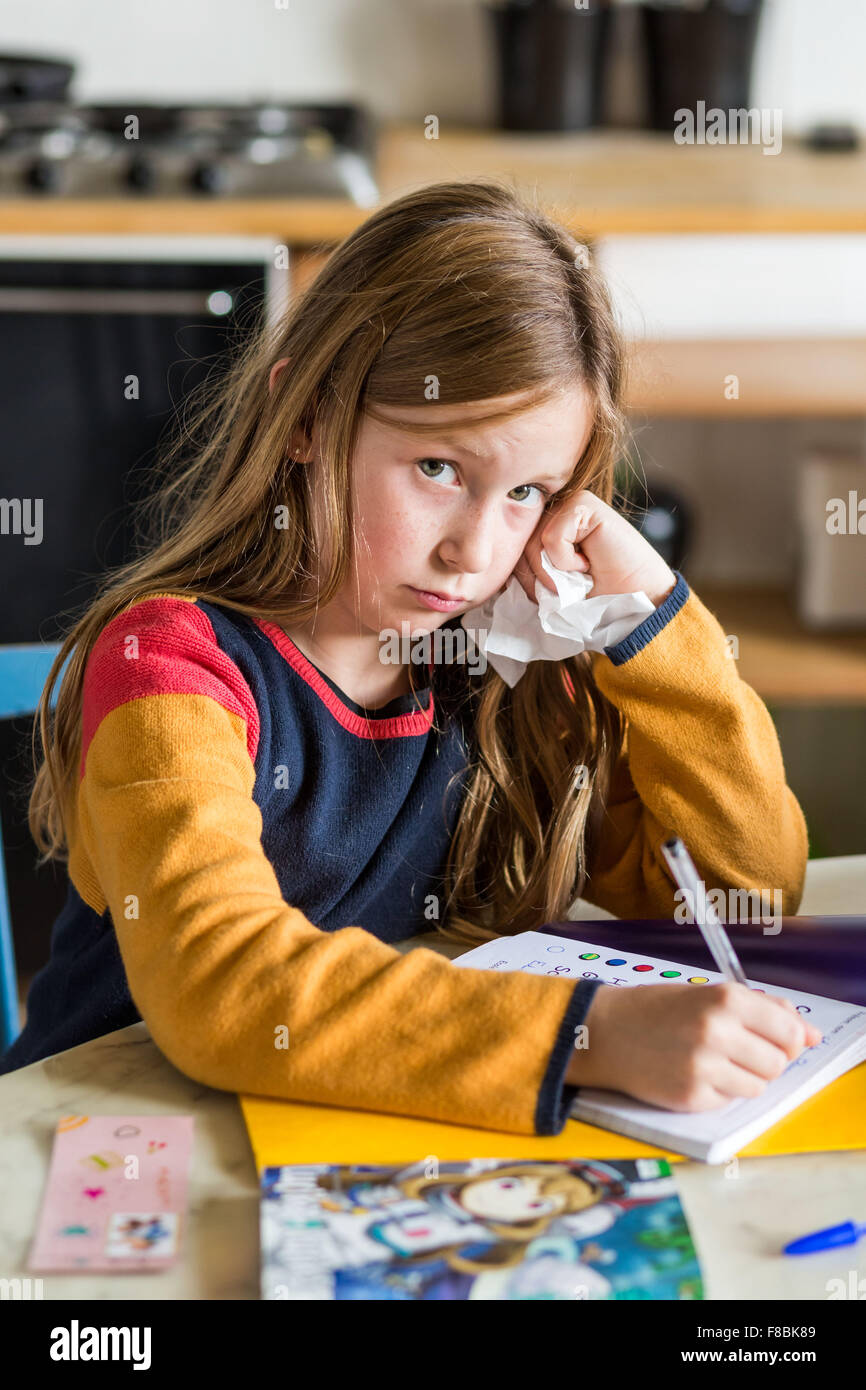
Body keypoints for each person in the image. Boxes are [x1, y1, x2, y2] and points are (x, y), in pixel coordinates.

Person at [1, 180, 819, 1130]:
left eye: (528, 492)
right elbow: (223, 984)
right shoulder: (170, 668)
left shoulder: (505, 676)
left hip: (363, 1145)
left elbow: (741, 899)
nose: (474, 550)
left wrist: (656, 620)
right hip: (116, 1168)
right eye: (440, 469)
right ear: (306, 416)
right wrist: (588, 1036)